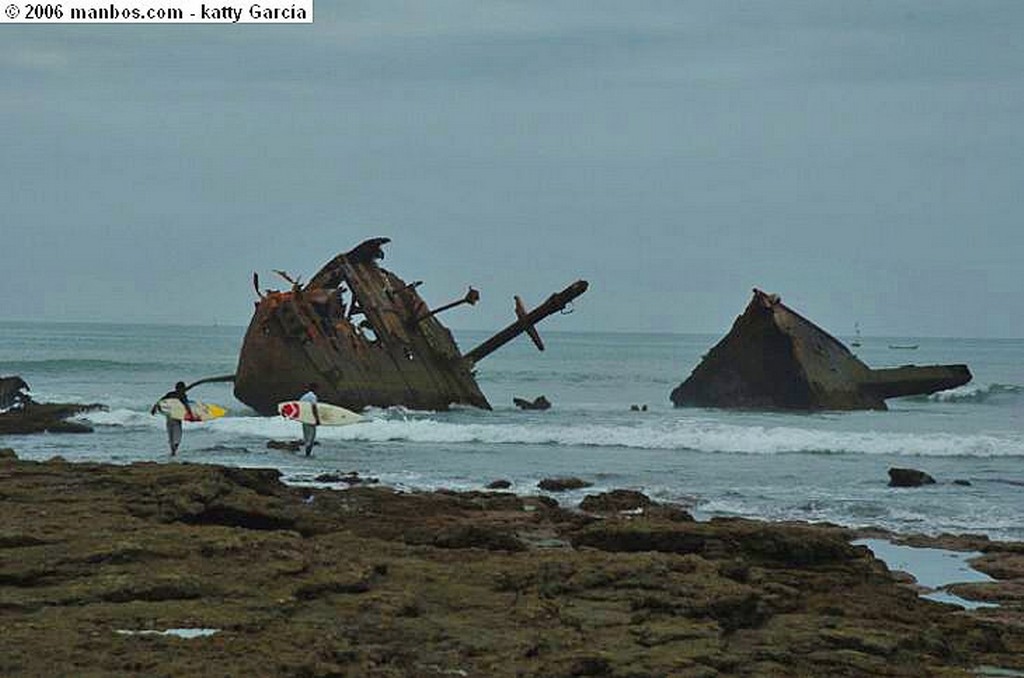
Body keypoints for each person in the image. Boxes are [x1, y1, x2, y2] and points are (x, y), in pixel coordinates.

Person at [151, 381, 193, 456]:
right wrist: (190, 414)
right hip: (177, 416)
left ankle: (172, 450)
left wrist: (154, 408)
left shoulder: (170, 394)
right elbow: (186, 404)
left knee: (170, 432)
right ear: (182, 388)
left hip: (169, 415)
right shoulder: (182, 395)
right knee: (177, 433)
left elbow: (160, 401)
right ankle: (174, 448)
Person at [299, 382, 320, 456]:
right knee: (311, 437)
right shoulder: (313, 396)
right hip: (311, 419)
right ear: (315, 389)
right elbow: (314, 408)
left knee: (306, 437)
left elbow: (299, 407)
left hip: (304, 419)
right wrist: (317, 419)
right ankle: (308, 454)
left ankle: (307, 453)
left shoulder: (304, 396)